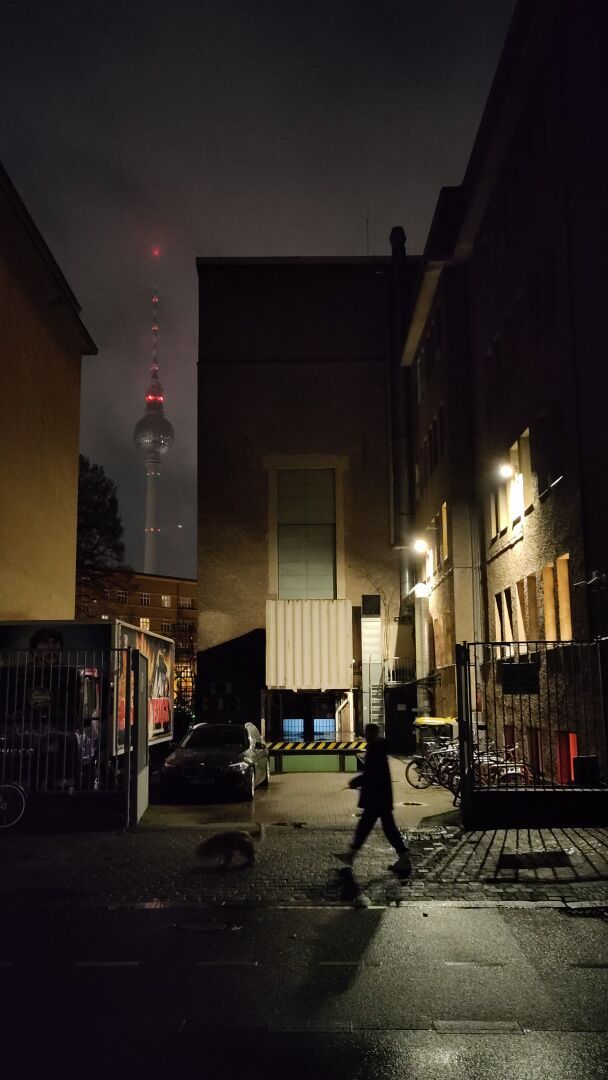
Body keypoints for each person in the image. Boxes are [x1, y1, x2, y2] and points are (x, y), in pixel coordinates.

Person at [337, 723, 411, 873]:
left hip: (376, 797)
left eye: (367, 732)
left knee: (368, 827)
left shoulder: (374, 749)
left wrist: (355, 781)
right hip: (381, 796)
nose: (365, 735)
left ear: (373, 733)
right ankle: (403, 858)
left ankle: (351, 855)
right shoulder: (379, 748)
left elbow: (372, 774)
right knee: (381, 828)